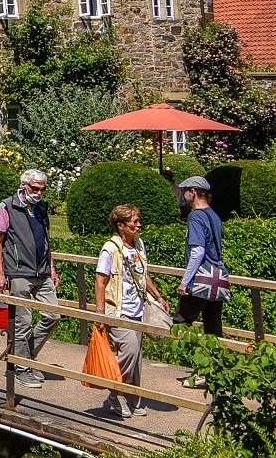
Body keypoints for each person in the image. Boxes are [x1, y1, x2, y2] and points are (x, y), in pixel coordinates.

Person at [95, 204, 167, 419]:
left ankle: (132, 396)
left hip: (137, 309)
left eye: (138, 221)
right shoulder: (110, 249)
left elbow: (143, 275)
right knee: (130, 352)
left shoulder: (138, 245)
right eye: (134, 222)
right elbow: (100, 282)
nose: (139, 225)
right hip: (117, 310)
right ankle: (115, 393)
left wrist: (158, 296)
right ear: (121, 225)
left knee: (136, 358)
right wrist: (99, 313)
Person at [0, 169, 60, 388]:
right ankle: (21, 369)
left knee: (53, 315)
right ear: (24, 186)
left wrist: (52, 267)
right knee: (23, 323)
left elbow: (47, 240)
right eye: (35, 188)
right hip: (19, 272)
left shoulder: (41, 208)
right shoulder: (7, 206)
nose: (39, 193)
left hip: (41, 272)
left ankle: (25, 357)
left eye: (42, 189)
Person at [176, 176, 226, 389]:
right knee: (213, 329)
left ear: (194, 192)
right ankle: (214, 374)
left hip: (202, 280)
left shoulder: (196, 216)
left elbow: (198, 251)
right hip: (219, 278)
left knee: (180, 325)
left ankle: (200, 371)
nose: (183, 195)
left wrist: (185, 282)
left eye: (185, 191)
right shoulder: (213, 215)